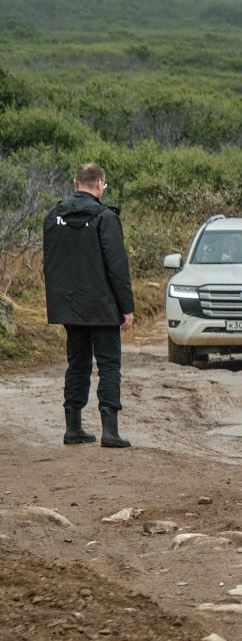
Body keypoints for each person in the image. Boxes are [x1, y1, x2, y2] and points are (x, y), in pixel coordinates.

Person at [42, 163, 134, 448]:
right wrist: (127, 307)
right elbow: (117, 266)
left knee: (77, 363)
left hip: (69, 304)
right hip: (102, 305)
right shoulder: (105, 217)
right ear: (100, 184)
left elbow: (51, 263)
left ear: (75, 182)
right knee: (108, 364)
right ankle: (110, 431)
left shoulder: (53, 216)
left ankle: (74, 428)